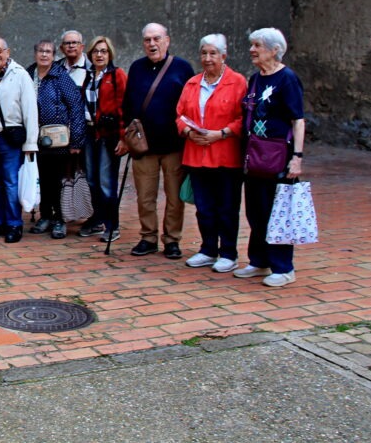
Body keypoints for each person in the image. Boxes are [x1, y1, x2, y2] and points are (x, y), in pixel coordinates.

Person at [235, 27, 305, 288]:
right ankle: (259, 260)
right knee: (256, 210)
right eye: (252, 45)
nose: (252, 50)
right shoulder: (256, 79)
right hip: (255, 155)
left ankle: (283, 267)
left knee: (278, 211)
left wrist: (296, 157)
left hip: (278, 155)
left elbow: (298, 120)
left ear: (275, 50)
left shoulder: (287, 79)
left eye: (257, 45)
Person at [120, 23, 194, 259]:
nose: (152, 44)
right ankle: (148, 237)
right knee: (145, 196)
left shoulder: (182, 68)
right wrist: (127, 135)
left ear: (167, 40)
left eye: (157, 39)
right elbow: (128, 104)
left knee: (174, 197)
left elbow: (191, 104)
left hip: (174, 146)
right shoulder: (136, 67)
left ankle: (172, 239)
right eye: (147, 40)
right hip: (144, 146)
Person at [175, 34, 247, 273]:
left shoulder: (237, 82)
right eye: (204, 53)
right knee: (203, 207)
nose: (207, 58)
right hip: (197, 154)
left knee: (226, 207)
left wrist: (222, 133)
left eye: (213, 54)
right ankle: (207, 249)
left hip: (226, 155)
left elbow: (243, 118)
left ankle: (228, 252)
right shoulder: (192, 83)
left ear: (224, 56)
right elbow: (179, 115)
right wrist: (187, 132)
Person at [0, 37, 39, 243]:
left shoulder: (20, 76)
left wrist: (31, 144)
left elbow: (30, 111)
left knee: (11, 181)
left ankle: (14, 224)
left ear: (7, 52)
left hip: (10, 138)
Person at [26, 39, 86, 239]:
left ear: (53, 55)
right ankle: (45, 216)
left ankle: (60, 219)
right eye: (41, 51)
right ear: (35, 53)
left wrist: (76, 140)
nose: (44, 55)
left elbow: (76, 108)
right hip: (35, 139)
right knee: (42, 179)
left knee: (59, 180)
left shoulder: (61, 77)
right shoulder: (28, 75)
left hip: (59, 140)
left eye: (48, 52)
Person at [78, 36, 127, 242]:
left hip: (109, 134)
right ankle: (98, 219)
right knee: (91, 179)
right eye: (96, 51)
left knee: (106, 182)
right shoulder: (88, 76)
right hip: (90, 134)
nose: (99, 55)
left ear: (110, 54)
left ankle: (112, 225)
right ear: (90, 54)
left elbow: (125, 106)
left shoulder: (117, 75)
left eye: (104, 51)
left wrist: (124, 138)